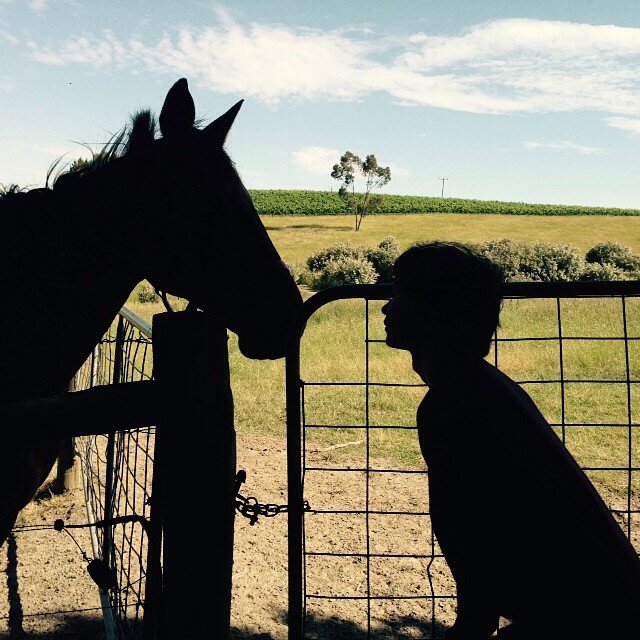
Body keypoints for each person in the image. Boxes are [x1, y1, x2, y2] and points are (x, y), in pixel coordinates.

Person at [381, 241, 640, 639]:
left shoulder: (451, 404)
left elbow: (469, 533)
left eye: (400, 294)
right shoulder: (483, 388)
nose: (386, 308)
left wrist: (470, 627)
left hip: (581, 618)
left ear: (437, 311)